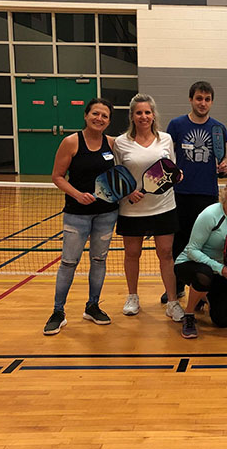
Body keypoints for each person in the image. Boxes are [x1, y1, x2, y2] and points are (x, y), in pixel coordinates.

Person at [43, 98, 119, 335]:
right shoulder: (71, 142)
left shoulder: (113, 144)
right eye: (95, 114)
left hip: (107, 214)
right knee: (68, 262)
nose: (99, 119)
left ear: (108, 121)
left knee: (99, 260)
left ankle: (93, 306)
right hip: (77, 215)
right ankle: (58, 311)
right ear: (86, 116)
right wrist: (77, 195)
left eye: (104, 116)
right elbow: (57, 176)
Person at [113, 94, 180, 321]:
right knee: (132, 254)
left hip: (164, 206)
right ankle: (132, 296)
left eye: (147, 112)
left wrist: (177, 176)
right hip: (132, 209)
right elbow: (117, 175)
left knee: (166, 254)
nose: (144, 116)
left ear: (154, 115)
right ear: (132, 115)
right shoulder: (121, 142)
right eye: (139, 112)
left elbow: (171, 168)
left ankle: (172, 301)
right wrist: (128, 191)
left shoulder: (166, 139)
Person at [164, 81, 227, 304]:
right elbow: (168, 157)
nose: (203, 103)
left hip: (207, 195)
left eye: (207, 99)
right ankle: (178, 285)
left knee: (205, 244)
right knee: (179, 242)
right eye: (199, 98)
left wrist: (223, 167)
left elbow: (222, 159)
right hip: (180, 193)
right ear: (191, 99)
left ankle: (202, 285)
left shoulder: (218, 128)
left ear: (212, 102)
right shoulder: (176, 125)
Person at [174, 174, 227, 338]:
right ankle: (188, 315)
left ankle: (203, 296)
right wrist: (221, 269)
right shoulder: (210, 214)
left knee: (222, 321)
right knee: (204, 276)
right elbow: (192, 250)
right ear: (226, 192)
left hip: (219, 270)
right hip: (190, 264)